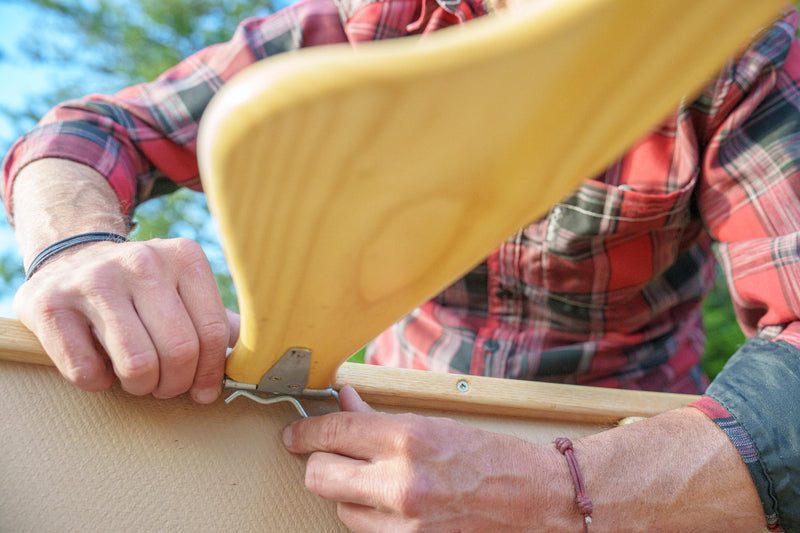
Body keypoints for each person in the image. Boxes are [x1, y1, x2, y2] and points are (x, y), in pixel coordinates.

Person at [2, 0, 799, 530]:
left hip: (621, 454)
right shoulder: (369, 26)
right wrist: (76, 246)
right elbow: (89, 133)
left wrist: (563, 492)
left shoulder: (736, 44)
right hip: (386, 421)